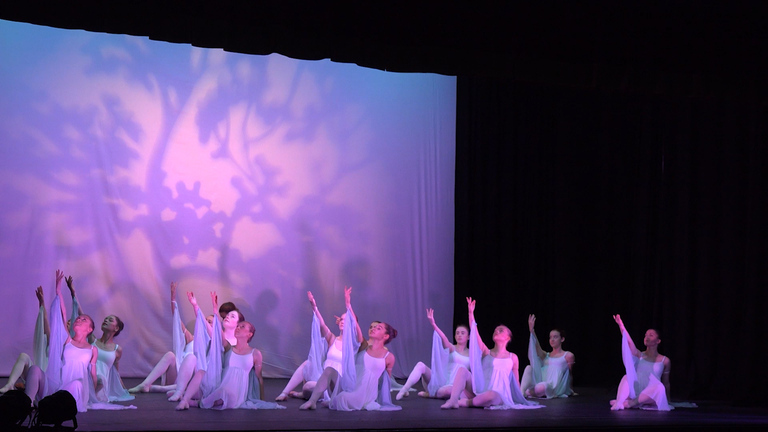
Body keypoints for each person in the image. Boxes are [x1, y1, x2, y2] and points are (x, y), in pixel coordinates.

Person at [175, 292, 284, 410]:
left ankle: (189, 397)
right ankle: (183, 396)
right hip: (216, 379)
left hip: (233, 387)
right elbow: (206, 324)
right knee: (201, 372)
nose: (227, 317)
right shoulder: (226, 344)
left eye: (233, 317)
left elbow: (258, 377)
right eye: (227, 316)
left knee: (222, 391)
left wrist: (260, 399)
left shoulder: (251, 351)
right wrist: (197, 306)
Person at [441, 297, 540, 410]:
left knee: (491, 396)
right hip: (479, 389)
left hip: (498, 395)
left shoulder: (513, 358)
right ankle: (453, 401)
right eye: (495, 330)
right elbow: (475, 332)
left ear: (508, 337)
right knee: (463, 370)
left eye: (501, 330)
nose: (497, 331)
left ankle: (467, 402)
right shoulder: (486, 352)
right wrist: (470, 313)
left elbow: (515, 382)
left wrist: (519, 399)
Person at [323, 287, 400, 411]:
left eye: (378, 328)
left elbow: (386, 381)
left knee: (342, 399)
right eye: (373, 327)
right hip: (353, 387)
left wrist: (381, 399)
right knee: (340, 395)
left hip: (367, 393)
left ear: (385, 336)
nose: (374, 328)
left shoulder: (389, 357)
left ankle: (355, 401)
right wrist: (348, 305)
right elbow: (356, 327)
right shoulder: (364, 346)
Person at [275, 291, 344, 401]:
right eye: (341, 319)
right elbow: (322, 325)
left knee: (308, 387)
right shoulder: (333, 339)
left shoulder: (354, 345)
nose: (342, 321)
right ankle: (284, 393)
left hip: (337, 384)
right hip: (324, 379)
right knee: (307, 365)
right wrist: (314, 307)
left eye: (346, 319)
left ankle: (302, 394)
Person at [395, 308, 470, 400]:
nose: (459, 335)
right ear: (454, 336)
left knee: (448, 391)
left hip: (453, 387)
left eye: (463, 333)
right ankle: (404, 389)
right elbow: (444, 338)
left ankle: (430, 394)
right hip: (439, 381)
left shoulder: (471, 353)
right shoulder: (451, 348)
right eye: (457, 333)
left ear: (468, 337)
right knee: (420, 365)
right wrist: (433, 324)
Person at [610, 314, 672, 411]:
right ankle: (621, 401)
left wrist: (667, 399)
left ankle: (630, 403)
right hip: (636, 391)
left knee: (660, 387)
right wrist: (621, 325)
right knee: (627, 377)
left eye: (650, 335)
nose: (646, 337)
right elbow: (629, 342)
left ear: (658, 341)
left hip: (650, 394)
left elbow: (666, 383)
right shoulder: (639, 355)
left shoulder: (665, 360)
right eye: (645, 335)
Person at [0, 286, 49, 394]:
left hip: (46, 381)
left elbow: (46, 326)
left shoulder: (61, 344)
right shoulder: (52, 340)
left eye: (70, 323)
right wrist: (41, 303)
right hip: (36, 373)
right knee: (23, 356)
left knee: (36, 370)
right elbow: (44, 322)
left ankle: (29, 390)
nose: (68, 323)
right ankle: (9, 385)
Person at [520, 314, 575, 398]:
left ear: (562, 339)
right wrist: (532, 330)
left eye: (555, 337)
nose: (552, 340)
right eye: (550, 337)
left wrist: (570, 390)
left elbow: (569, 375)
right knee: (528, 367)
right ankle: (522, 392)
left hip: (551, 387)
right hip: (540, 382)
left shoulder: (568, 355)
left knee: (542, 387)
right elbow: (536, 346)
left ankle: (531, 392)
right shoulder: (546, 355)